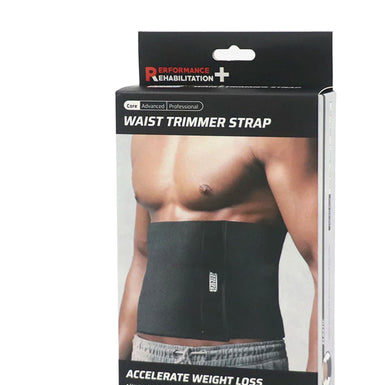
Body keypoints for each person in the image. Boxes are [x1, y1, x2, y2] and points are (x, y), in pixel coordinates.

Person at [118, 134, 318, 371]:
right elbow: (143, 257)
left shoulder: (271, 132)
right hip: (148, 356)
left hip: (239, 361)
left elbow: (323, 264)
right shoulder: (145, 133)